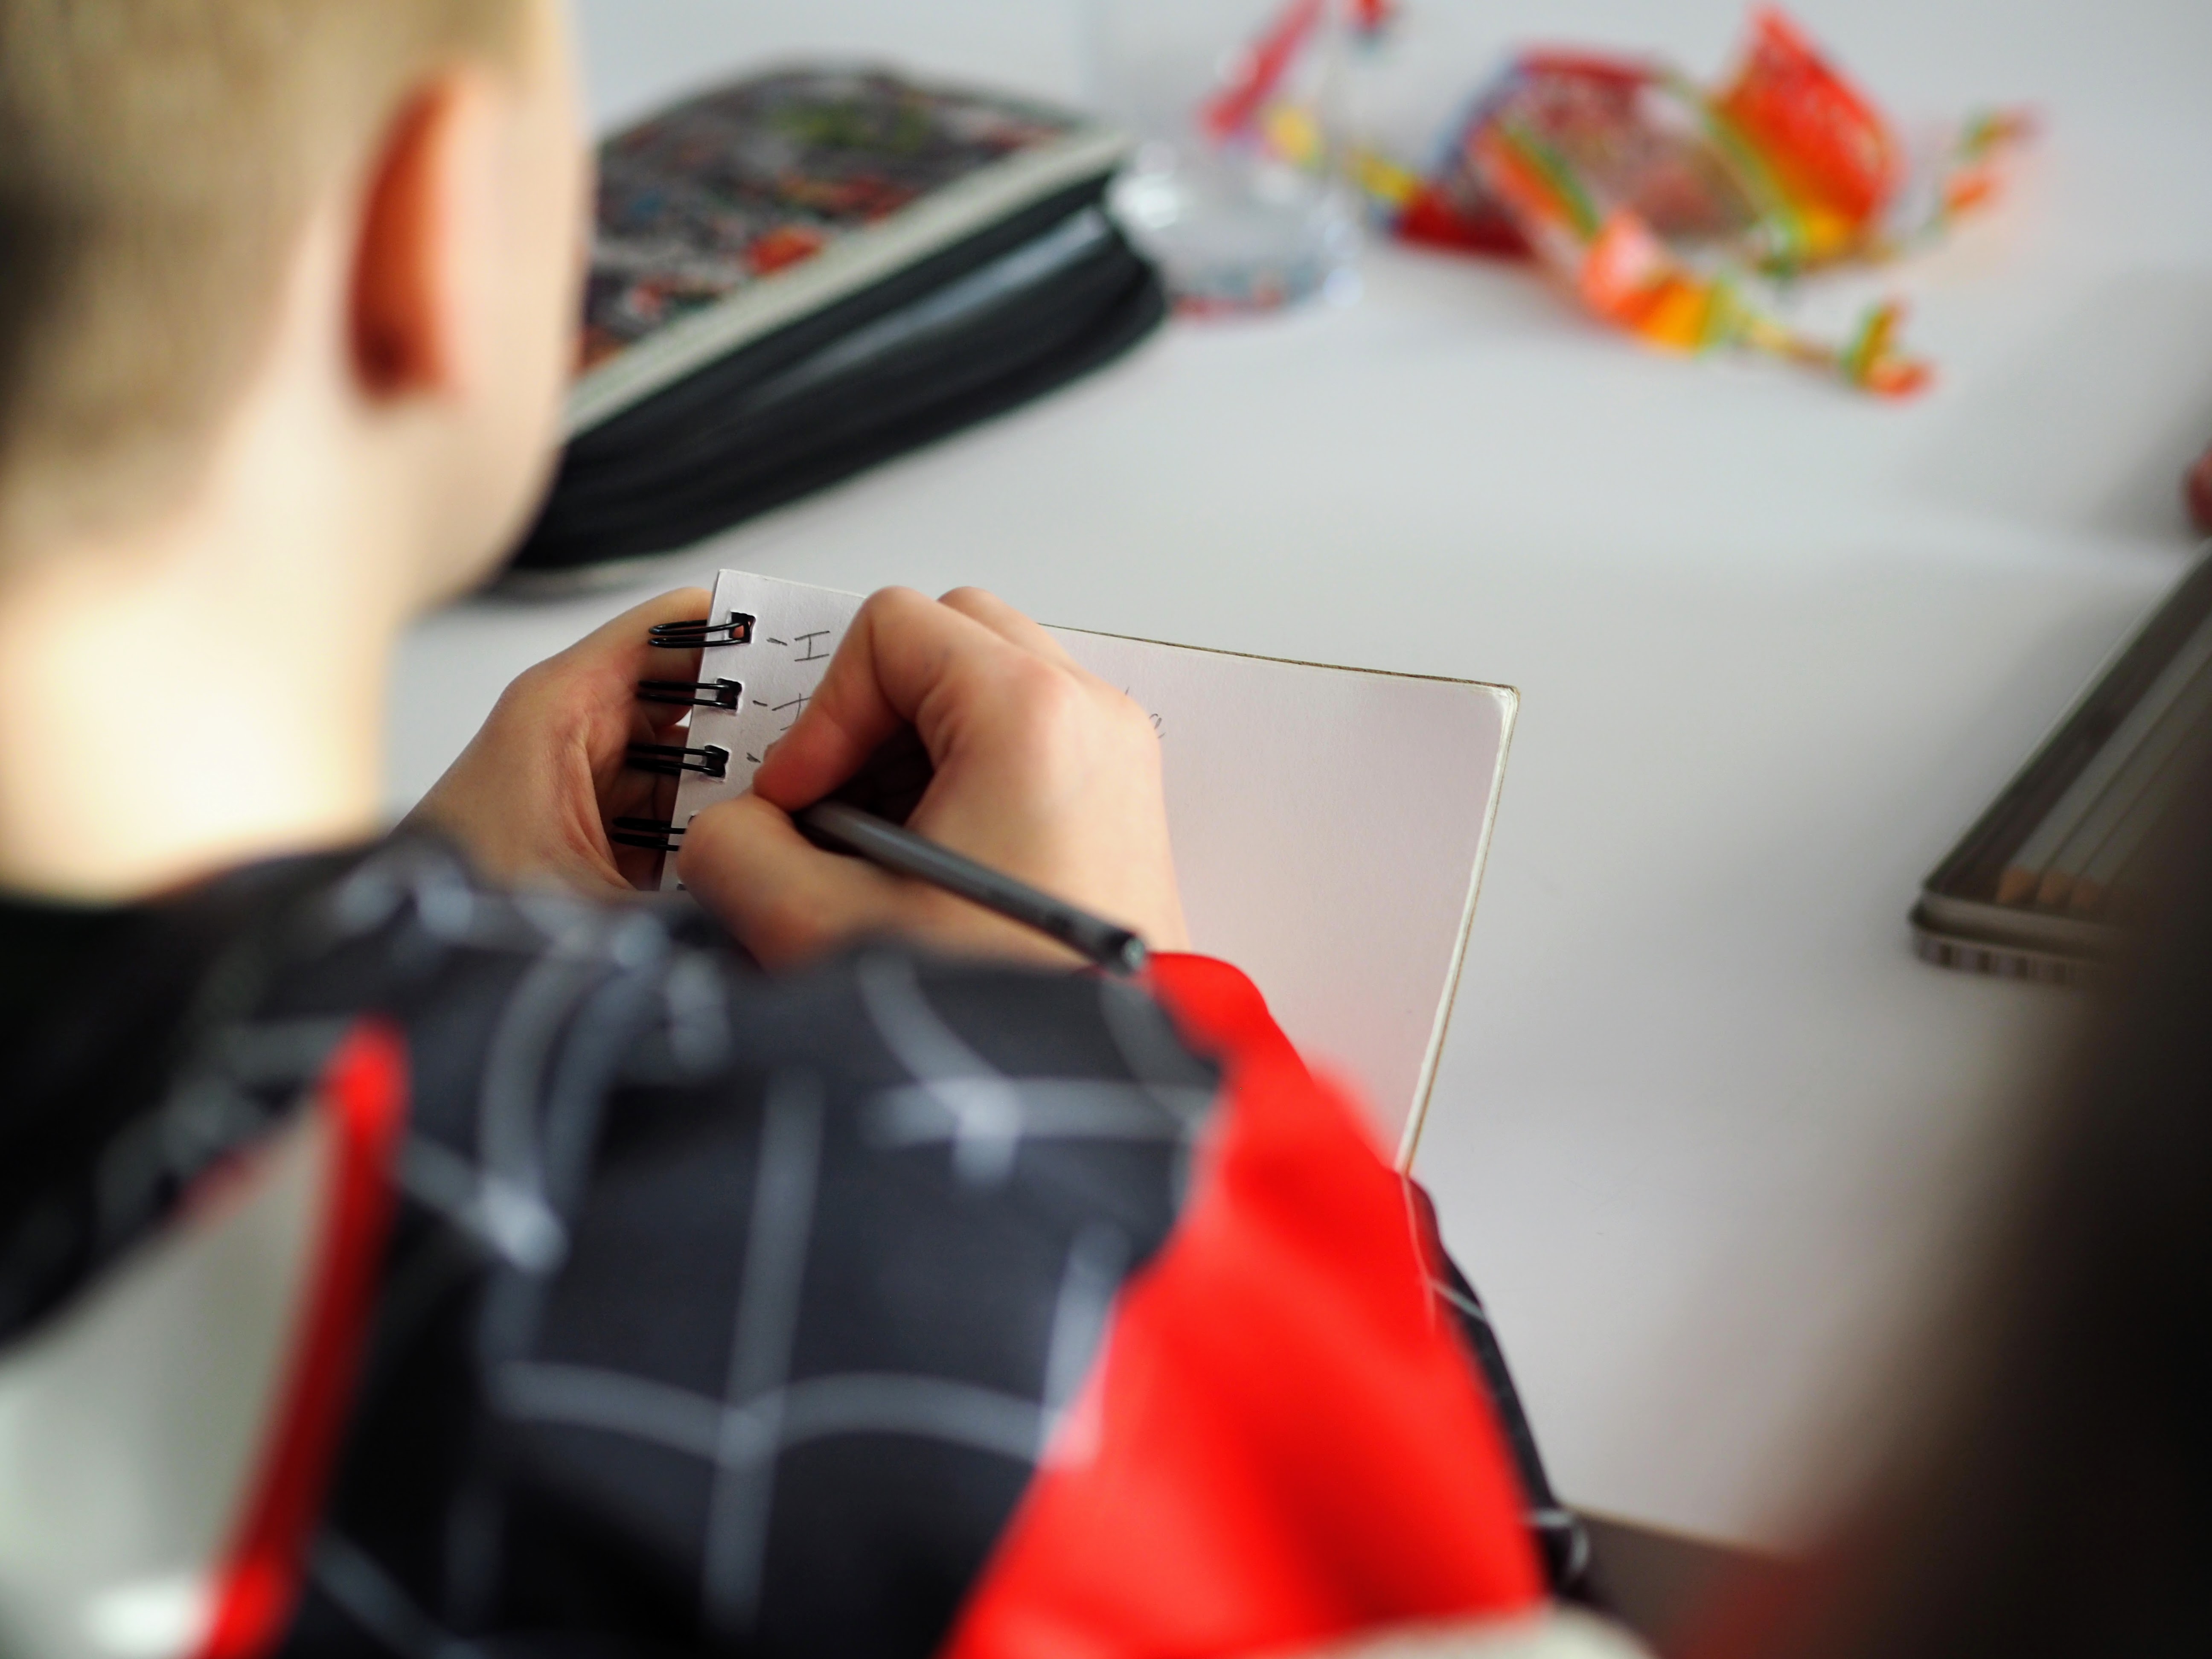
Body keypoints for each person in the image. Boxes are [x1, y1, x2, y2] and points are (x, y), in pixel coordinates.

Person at [0, 5, 1616, 1657]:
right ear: (435, 231)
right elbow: (1486, 1608)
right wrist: (1103, 1054)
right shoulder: (943, 1229)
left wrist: (429, 901)